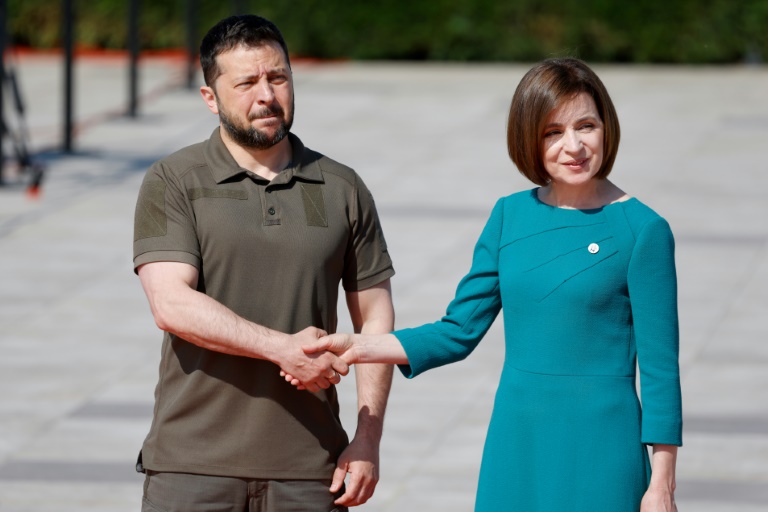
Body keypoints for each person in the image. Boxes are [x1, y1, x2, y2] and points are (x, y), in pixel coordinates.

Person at [291, 58, 682, 511]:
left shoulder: (643, 230)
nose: (573, 146)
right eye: (553, 132)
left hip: (601, 445)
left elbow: (660, 371)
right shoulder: (509, 216)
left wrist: (662, 483)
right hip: (517, 441)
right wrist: (360, 347)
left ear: (605, 129)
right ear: (528, 140)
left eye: (586, 126)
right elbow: (458, 331)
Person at [132, 14, 395, 512]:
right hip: (191, 468)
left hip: (312, 469)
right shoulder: (174, 180)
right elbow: (171, 304)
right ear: (211, 97)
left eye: (278, 77)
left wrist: (367, 438)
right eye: (247, 82)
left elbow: (375, 320)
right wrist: (281, 349)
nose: (266, 95)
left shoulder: (342, 187)